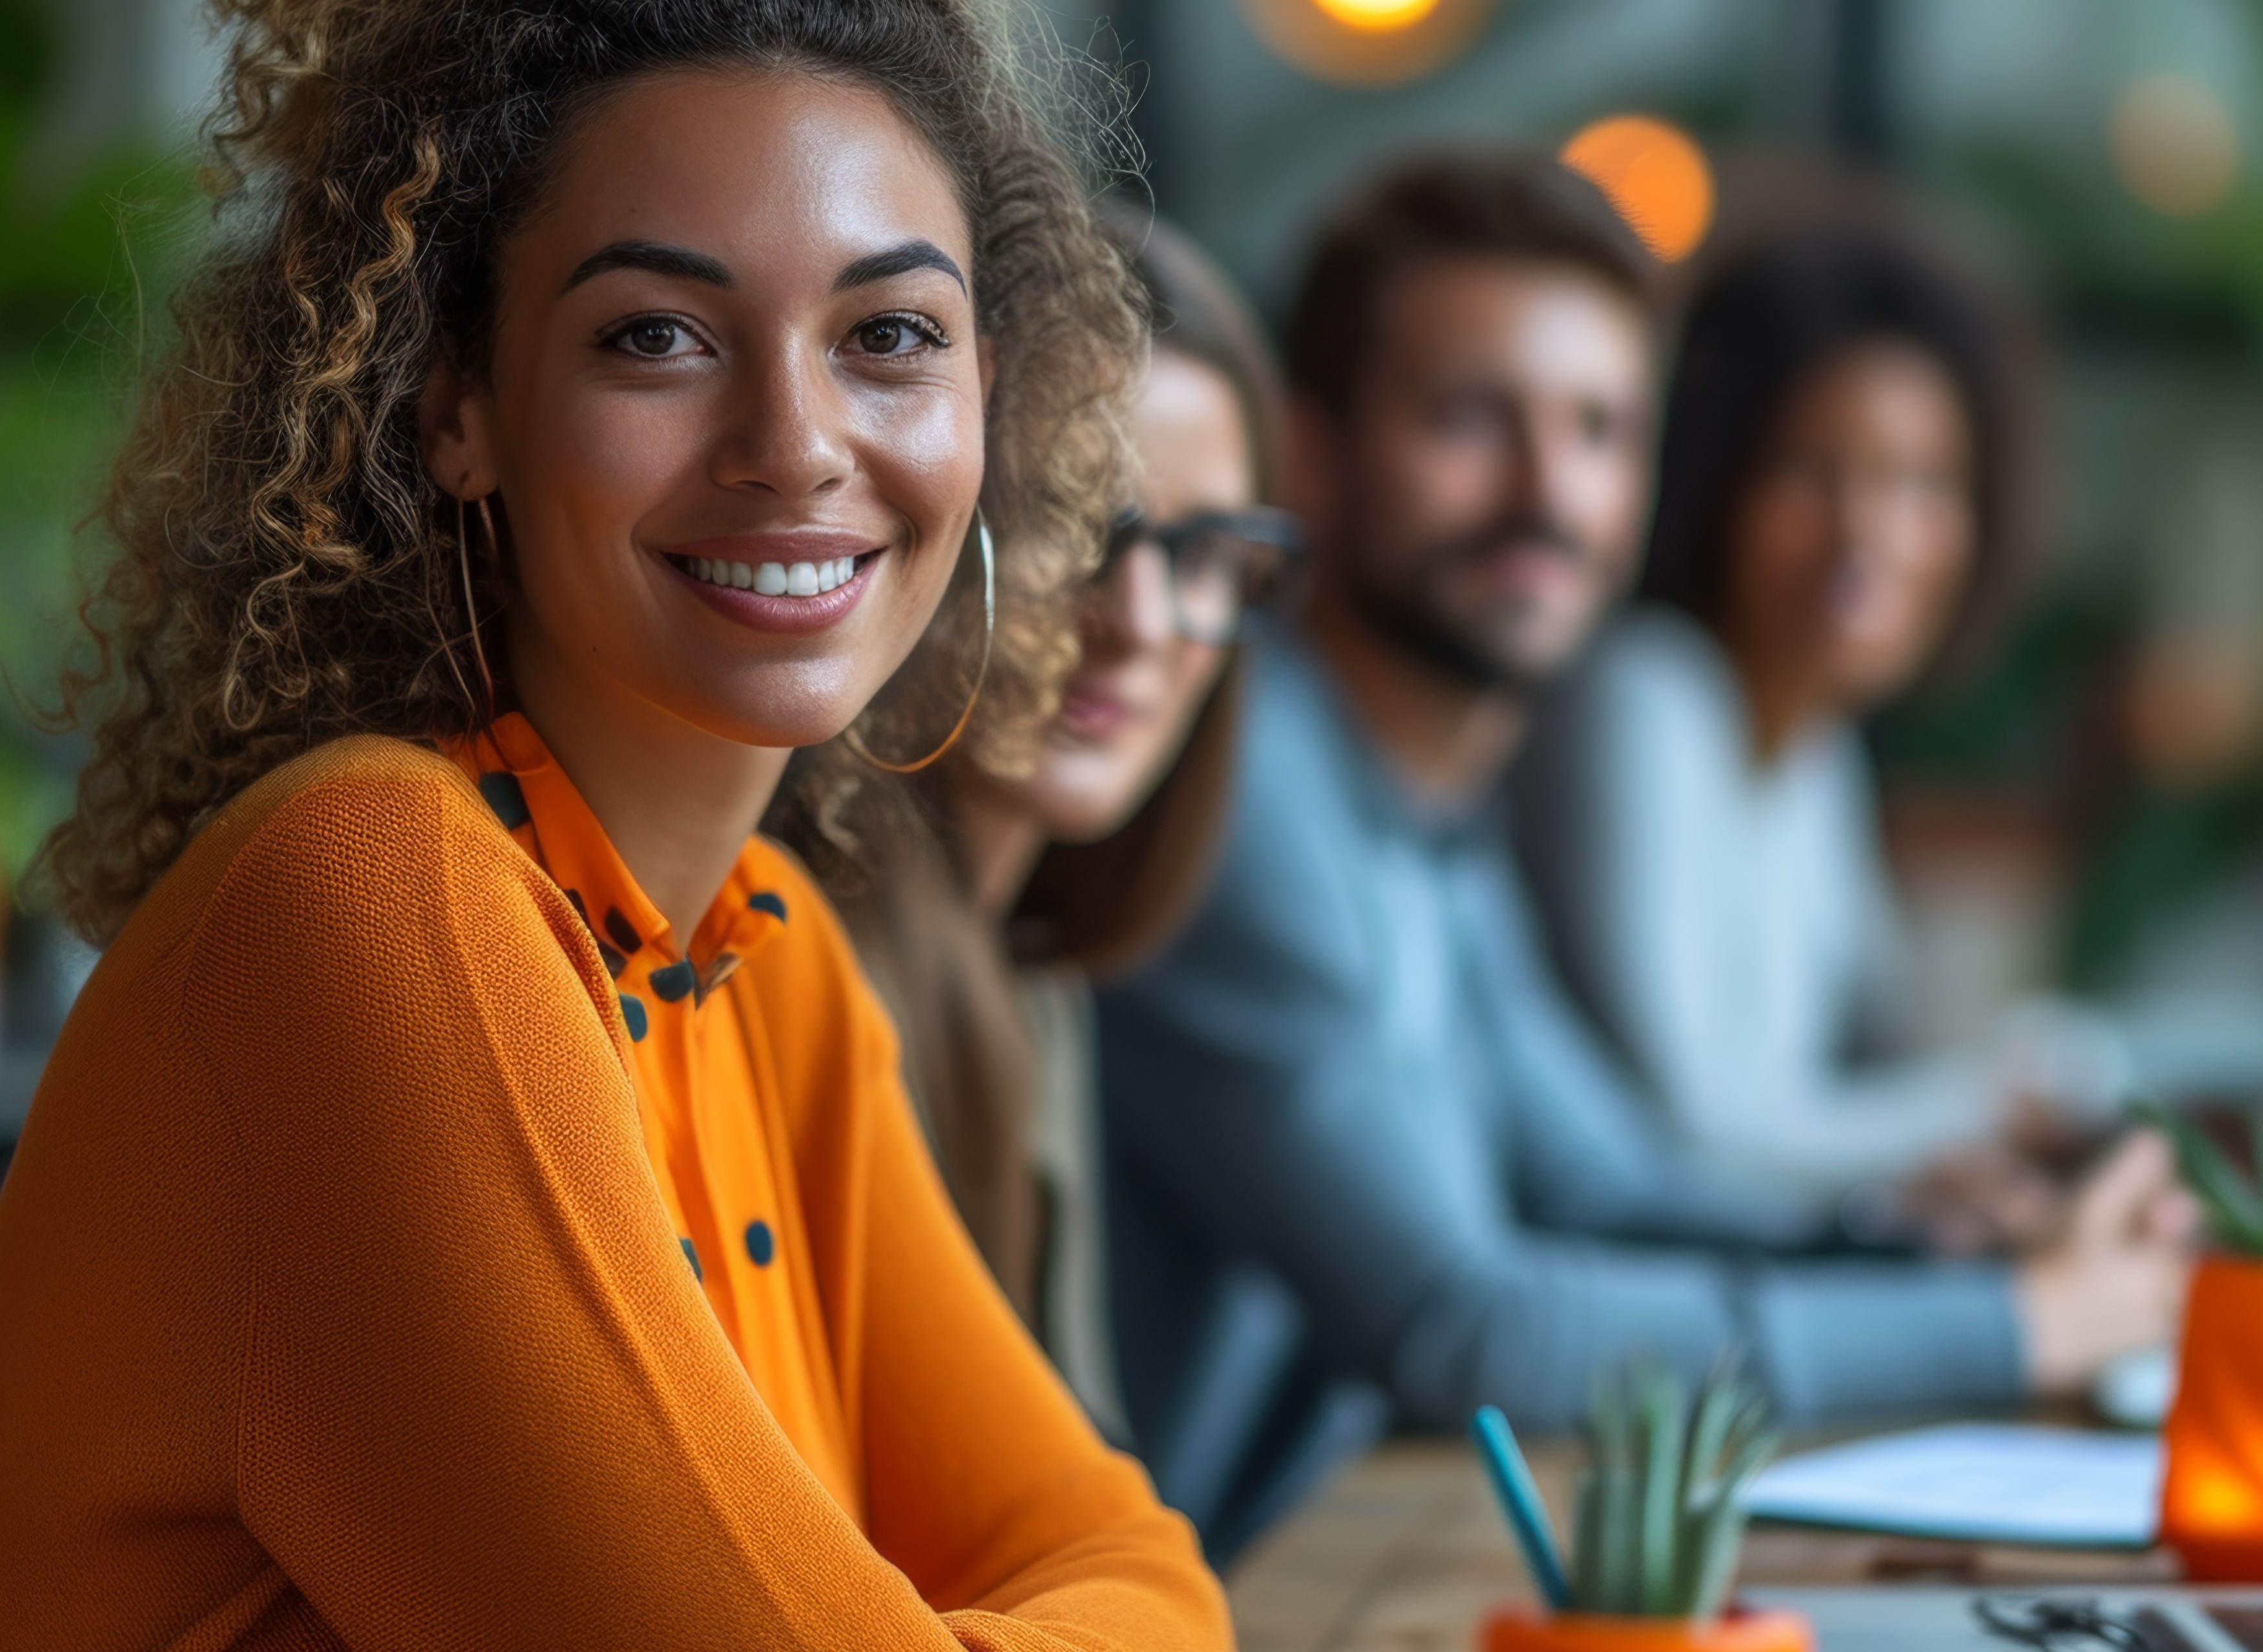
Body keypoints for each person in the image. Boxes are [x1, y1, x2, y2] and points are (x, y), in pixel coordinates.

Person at [0, 0, 1233, 1652]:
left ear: (992, 399)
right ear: (449, 402)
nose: (795, 443)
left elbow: (1132, 1575)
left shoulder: (764, 956)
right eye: (655, 333)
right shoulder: (369, 903)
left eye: (890, 338)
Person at [1095, 149, 2187, 1563]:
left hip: (1309, 1576)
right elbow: (1464, 1325)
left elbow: (1607, 1189)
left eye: (1601, 427)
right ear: (1312, 452)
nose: (1550, 492)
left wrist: (1912, 1245)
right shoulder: (1241, 783)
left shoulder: (1425, 805)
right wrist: (2026, 1321)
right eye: (1469, 418)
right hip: (1174, 1651)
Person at [800, 209, 1292, 1430]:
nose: (1142, 618)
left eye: (1205, 551)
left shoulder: (1032, 988)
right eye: (1074, 525)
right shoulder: (799, 983)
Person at [1512, 204, 2036, 1209]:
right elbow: (1698, 1132)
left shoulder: (1816, 749)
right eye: (1808, 471)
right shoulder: (1643, 695)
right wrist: (1990, 1105)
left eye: (1922, 484)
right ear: (1714, 479)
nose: (1865, 536)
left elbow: (1872, 1062)